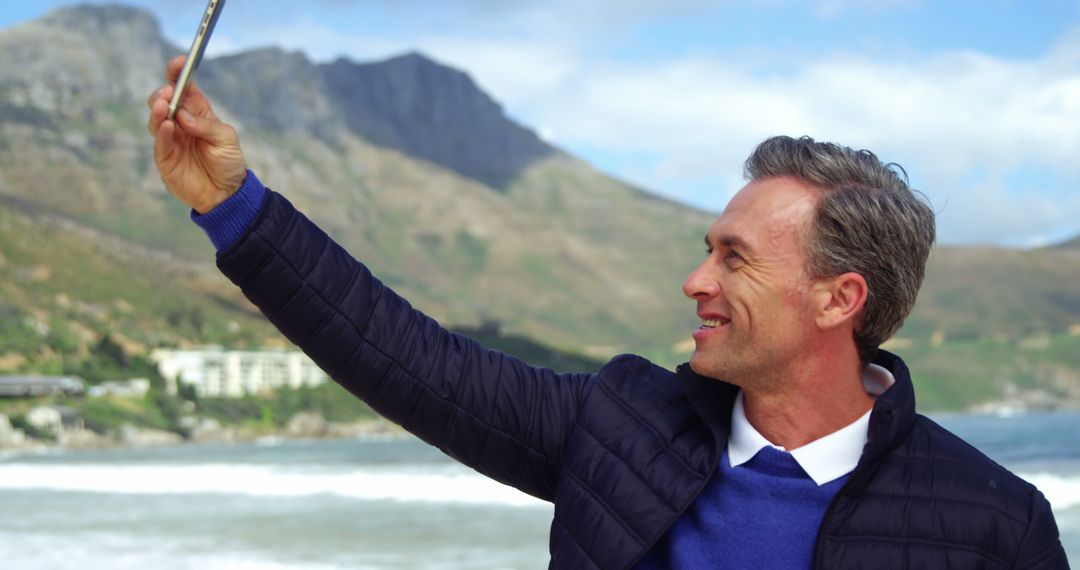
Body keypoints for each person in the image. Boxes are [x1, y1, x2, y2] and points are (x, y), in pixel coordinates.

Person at [147, 55, 1069, 569]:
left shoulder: (994, 522)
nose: (696, 281)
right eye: (708, 248)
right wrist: (236, 208)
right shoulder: (620, 427)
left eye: (733, 259)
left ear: (840, 299)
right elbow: (402, 355)